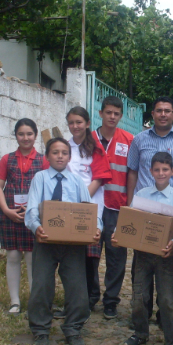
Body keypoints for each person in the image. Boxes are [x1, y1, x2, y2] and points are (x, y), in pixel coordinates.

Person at [127, 96, 173, 320]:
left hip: (172, 209)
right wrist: (130, 205)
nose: (163, 114)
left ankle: (165, 313)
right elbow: (132, 172)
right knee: (141, 263)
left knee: (170, 261)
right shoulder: (138, 140)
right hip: (144, 209)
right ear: (152, 114)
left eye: (167, 111)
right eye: (159, 110)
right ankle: (141, 310)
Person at [25, 137, 102, 345]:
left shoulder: (77, 181)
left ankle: (73, 328)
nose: (60, 156)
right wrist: (35, 227)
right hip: (45, 240)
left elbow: (88, 209)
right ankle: (41, 330)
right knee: (41, 285)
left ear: (69, 157)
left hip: (72, 243)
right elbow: (32, 208)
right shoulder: (40, 178)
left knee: (77, 287)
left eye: (64, 153)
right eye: (55, 152)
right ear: (47, 156)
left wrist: (97, 228)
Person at [114, 152, 173, 345]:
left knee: (167, 299)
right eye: (157, 169)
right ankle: (140, 332)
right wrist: (120, 236)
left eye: (165, 169)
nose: (161, 173)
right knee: (139, 296)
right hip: (143, 255)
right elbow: (132, 223)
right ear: (150, 171)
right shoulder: (142, 195)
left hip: (166, 255)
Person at [0, 118, 50, 315]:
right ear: (16, 135)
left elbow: (46, 189)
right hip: (9, 214)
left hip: (33, 215)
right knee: (13, 256)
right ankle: (14, 301)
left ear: (35, 136)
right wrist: (6, 210)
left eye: (29, 134)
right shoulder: (7, 159)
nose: (25, 138)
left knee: (32, 258)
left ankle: (34, 301)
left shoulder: (43, 160)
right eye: (21, 134)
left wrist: (35, 210)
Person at [65, 106, 113, 318]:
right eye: (71, 122)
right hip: (67, 207)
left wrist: (82, 199)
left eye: (79, 122)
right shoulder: (63, 147)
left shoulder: (94, 148)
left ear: (86, 124)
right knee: (72, 255)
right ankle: (75, 297)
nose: (75, 126)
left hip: (90, 205)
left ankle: (92, 296)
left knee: (90, 256)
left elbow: (100, 177)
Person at [91, 96, 134, 320]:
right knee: (90, 254)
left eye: (116, 114)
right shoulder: (89, 140)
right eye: (108, 113)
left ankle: (111, 301)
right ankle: (90, 296)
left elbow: (133, 174)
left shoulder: (129, 140)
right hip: (93, 206)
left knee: (117, 256)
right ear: (100, 113)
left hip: (119, 206)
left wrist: (131, 205)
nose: (112, 117)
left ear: (121, 116)